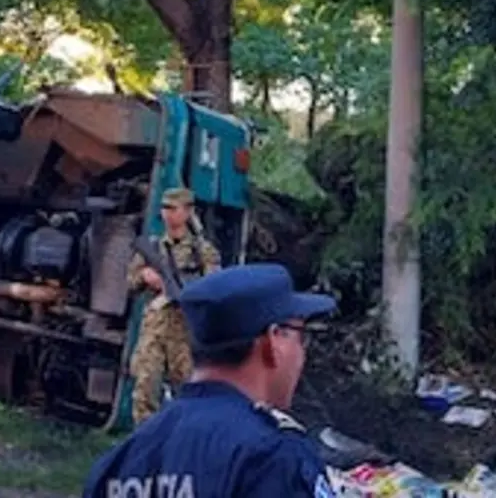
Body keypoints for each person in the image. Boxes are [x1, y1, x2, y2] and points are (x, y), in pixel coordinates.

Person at [83, 263, 338, 497]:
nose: (302, 352)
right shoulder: (273, 457)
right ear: (273, 341)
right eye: (301, 337)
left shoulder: (118, 463)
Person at [126, 186, 222, 423]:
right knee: (144, 389)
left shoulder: (202, 251)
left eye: (173, 208)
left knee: (188, 392)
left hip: (184, 332)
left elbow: (214, 288)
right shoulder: (154, 247)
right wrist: (145, 277)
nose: (167, 214)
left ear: (188, 212)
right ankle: (145, 444)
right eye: (164, 208)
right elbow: (130, 282)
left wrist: (182, 289)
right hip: (155, 329)